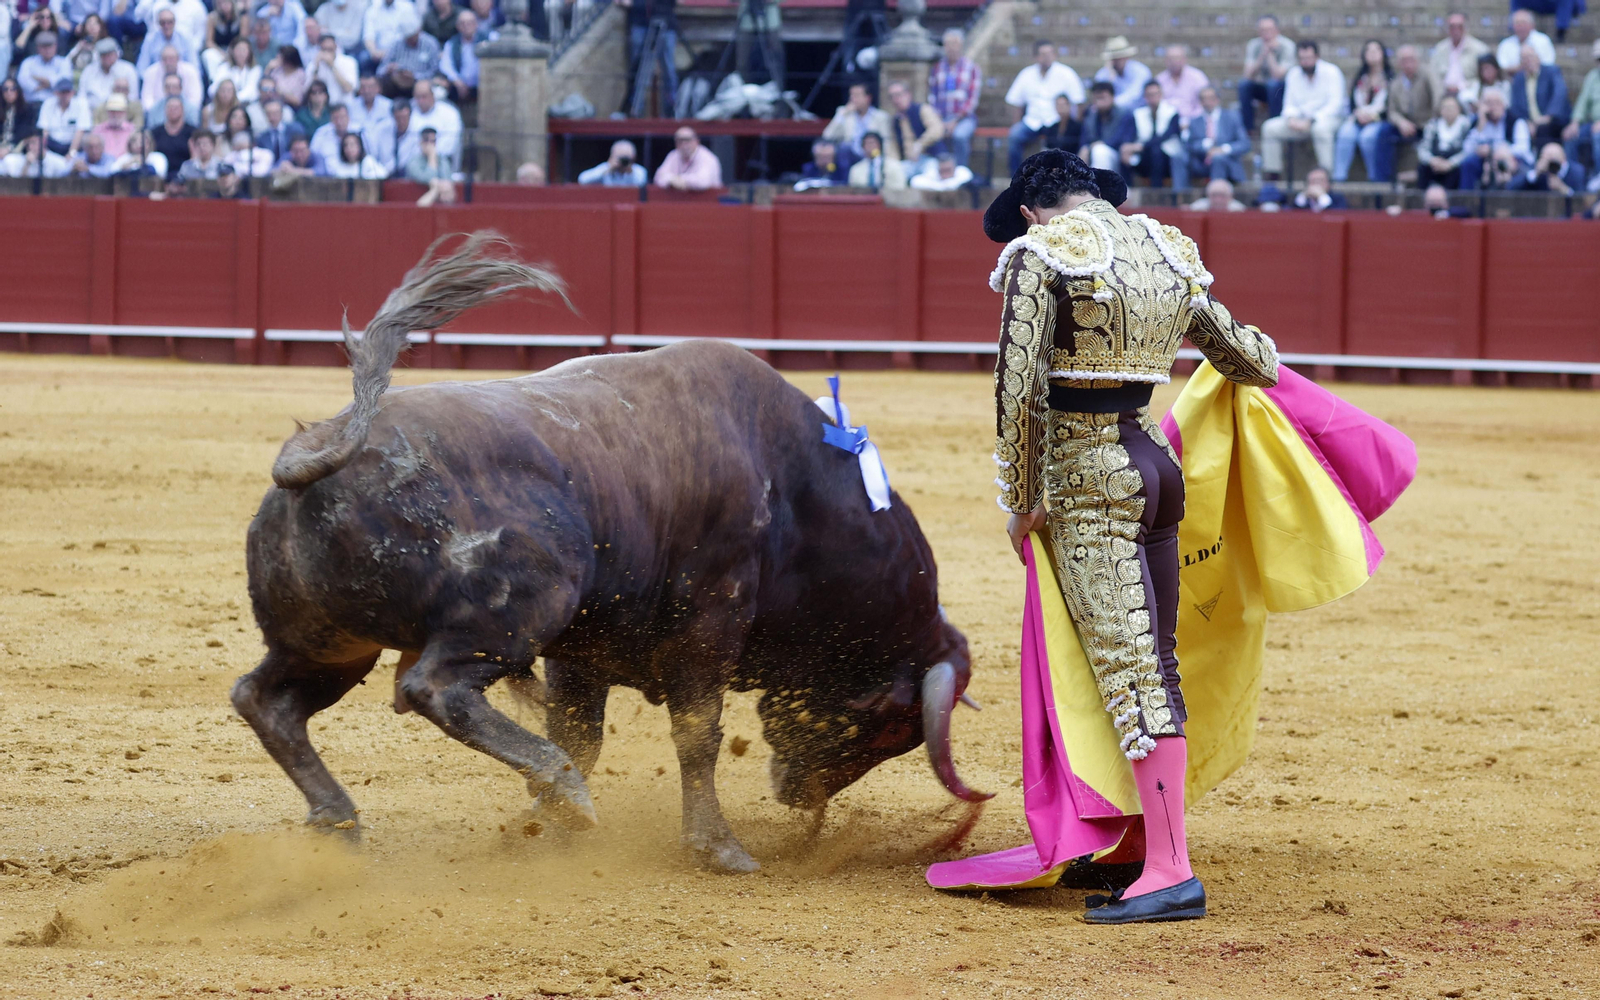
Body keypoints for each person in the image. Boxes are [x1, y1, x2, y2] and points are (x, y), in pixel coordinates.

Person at [982, 148, 1278, 925]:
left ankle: (1171, 870)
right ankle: (1138, 847)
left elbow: (1017, 399)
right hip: (1157, 466)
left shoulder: (1039, 256)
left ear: (1028, 210)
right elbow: (1248, 359)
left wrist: (1021, 500)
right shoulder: (1168, 247)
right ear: (1095, 195)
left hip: (1091, 481)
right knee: (1155, 659)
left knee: (1128, 671)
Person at [1261, 40, 1346, 179]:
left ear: (1317, 57)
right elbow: (1289, 104)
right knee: (1269, 128)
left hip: (1328, 119)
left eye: (1309, 58)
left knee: (1321, 129)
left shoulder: (1332, 72)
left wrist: (1312, 120)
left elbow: (1336, 105)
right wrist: (1291, 118)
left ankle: (1327, 176)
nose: (1305, 62)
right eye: (1302, 59)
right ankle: (1273, 178)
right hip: (1300, 121)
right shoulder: (1293, 73)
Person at [1005, 40, 1085, 176]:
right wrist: (1016, 123)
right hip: (1032, 122)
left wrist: (1071, 125)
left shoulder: (1066, 73)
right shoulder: (1026, 74)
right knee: (1014, 136)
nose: (1047, 57)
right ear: (1036, 56)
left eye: (1050, 53)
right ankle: (1015, 177)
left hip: (1056, 122)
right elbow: (1015, 102)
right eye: (1043, 54)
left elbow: (1079, 102)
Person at [1333, 39, 1393, 182]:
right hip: (1358, 119)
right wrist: (1359, 114)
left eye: (1376, 50)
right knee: (1345, 133)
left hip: (1380, 120)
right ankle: (1339, 177)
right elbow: (1353, 103)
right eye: (1368, 50)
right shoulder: (1360, 76)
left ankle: (1374, 177)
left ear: (1383, 54)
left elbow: (1391, 105)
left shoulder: (1390, 78)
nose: (1372, 54)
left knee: (1368, 137)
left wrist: (1374, 116)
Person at [928, 28, 981, 168]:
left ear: (961, 46)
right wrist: (938, 119)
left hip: (964, 118)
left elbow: (972, 100)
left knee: (959, 136)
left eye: (955, 43)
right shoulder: (937, 68)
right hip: (941, 117)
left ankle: (961, 172)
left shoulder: (971, 68)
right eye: (948, 44)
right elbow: (932, 97)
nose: (951, 48)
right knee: (933, 134)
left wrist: (955, 120)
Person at [1460, 88, 1533, 188]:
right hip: (1485, 162)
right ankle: (1468, 200)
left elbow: (1523, 149)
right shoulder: (1479, 122)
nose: (1492, 107)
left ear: (1504, 104)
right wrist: (1481, 125)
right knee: (1469, 164)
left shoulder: (1516, 121)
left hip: (1511, 160)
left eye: (1496, 103)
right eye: (1488, 103)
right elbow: (1467, 149)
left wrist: (1497, 151)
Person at [1116, 79, 1182, 188]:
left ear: (1161, 94)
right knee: (1124, 152)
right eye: (1149, 95)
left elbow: (1165, 136)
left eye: (1155, 94)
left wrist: (1141, 146)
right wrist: (1127, 146)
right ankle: (1127, 194)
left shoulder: (1172, 112)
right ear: (1145, 96)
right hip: (1144, 157)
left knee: (1156, 152)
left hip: (1168, 158)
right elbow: (1130, 135)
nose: (1153, 97)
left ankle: (1157, 193)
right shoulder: (1138, 114)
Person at [618, 0, 677, 116]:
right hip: (640, 21)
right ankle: (634, 109)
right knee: (637, 70)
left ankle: (672, 109)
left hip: (665, 20)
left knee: (668, 70)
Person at [1181, 85, 1249, 186]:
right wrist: (1204, 145)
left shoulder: (1232, 117)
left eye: (1211, 98)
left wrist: (1223, 149)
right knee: (1180, 158)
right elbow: (1189, 145)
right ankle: (1179, 195)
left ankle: (1216, 194)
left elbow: (1244, 144)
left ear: (1217, 99)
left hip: (1227, 162)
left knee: (1217, 158)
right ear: (1200, 102)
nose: (1208, 102)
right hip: (1202, 162)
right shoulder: (1194, 121)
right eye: (1204, 99)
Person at [1238, 14, 1295, 133]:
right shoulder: (1254, 45)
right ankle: (1248, 128)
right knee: (1243, 85)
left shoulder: (1287, 45)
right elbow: (1247, 75)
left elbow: (1278, 75)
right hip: (1261, 87)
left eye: (1269, 29)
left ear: (1277, 30)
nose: (1266, 33)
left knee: (1273, 84)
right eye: (1262, 30)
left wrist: (1270, 55)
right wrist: (1262, 55)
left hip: (1281, 90)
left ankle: (1274, 124)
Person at [1509, 42, 1570, 148]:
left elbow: (1560, 93)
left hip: (1553, 120)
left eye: (1530, 57)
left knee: (1542, 130)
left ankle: (1542, 162)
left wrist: (1548, 116)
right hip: (1530, 123)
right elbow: (1515, 106)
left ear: (1537, 57)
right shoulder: (1518, 79)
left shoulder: (1551, 71)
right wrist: (1527, 122)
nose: (1528, 61)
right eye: (1524, 58)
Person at [1387, 45, 1438, 165]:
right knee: (1384, 133)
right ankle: (1387, 178)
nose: (1408, 64)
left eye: (1411, 59)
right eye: (1404, 60)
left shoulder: (1428, 75)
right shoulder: (1396, 83)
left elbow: (1438, 96)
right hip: (1407, 125)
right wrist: (1401, 122)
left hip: (1427, 122)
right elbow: (1392, 111)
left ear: (1417, 60)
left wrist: (1434, 119)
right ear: (1399, 63)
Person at [822, 83, 893, 166]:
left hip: (873, 155)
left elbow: (886, 142)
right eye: (851, 95)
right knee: (844, 148)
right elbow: (827, 136)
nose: (853, 99)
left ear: (868, 98)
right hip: (851, 157)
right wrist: (841, 115)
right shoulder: (845, 114)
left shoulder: (880, 117)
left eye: (857, 95)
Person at [886, 79, 945, 176]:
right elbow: (893, 145)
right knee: (894, 174)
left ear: (908, 94)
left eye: (898, 95)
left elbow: (937, 130)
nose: (895, 100)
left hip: (930, 158)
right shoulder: (895, 120)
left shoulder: (922, 110)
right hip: (908, 162)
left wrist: (920, 144)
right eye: (892, 97)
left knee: (927, 176)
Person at [1431, 10, 1490, 103]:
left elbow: (1485, 76)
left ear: (1466, 28)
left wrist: (1461, 87)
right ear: (1447, 28)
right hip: (1444, 92)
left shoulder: (1479, 49)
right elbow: (1433, 74)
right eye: (1452, 27)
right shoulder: (1439, 49)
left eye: (1459, 27)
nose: (1456, 30)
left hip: (1469, 92)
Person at [1417, 94, 1473, 188]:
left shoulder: (1466, 126)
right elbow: (1423, 148)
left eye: (1451, 107)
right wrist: (1432, 160)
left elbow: (1468, 150)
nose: (1448, 110)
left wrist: (1450, 163)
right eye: (1445, 107)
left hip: (1454, 164)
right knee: (1422, 168)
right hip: (1435, 162)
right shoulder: (1433, 125)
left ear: (1459, 109)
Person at [438, 9, 490, 107]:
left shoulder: (488, 38)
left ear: (476, 24)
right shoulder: (452, 43)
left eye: (470, 23)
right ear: (458, 26)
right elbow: (446, 65)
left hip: (482, 84)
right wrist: (457, 81)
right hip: (460, 86)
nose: (466, 26)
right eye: (462, 23)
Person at [1563, 40, 1600, 171]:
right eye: (1598, 59)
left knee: (1598, 135)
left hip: (1598, 127)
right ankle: (1573, 176)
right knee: (1570, 135)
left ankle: (1598, 176)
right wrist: (1575, 122)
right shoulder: (1592, 76)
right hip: (1592, 124)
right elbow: (1582, 101)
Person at [78, 38, 139, 113]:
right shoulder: (88, 71)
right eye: (103, 55)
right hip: (92, 114)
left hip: (120, 114)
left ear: (116, 54)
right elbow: (81, 97)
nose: (107, 58)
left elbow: (133, 98)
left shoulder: (128, 70)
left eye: (109, 54)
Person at [1092, 35, 1152, 111]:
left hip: (1137, 114)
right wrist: (1110, 79)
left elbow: (1134, 96)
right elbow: (1098, 96)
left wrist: (1111, 103)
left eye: (1119, 58)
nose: (1116, 61)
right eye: (1114, 58)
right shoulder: (1103, 74)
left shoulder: (1141, 71)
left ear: (1127, 57)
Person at [1078, 80, 1128, 172]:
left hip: (1117, 156)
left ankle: (1099, 183)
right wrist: (1085, 147)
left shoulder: (1124, 115)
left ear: (1112, 97)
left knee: (1100, 151)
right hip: (1093, 154)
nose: (1099, 102)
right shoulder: (1090, 115)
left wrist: (1096, 146)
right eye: (1097, 98)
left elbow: (1120, 140)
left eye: (1103, 98)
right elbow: (1085, 139)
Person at [734, 0, 782, 90]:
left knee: (775, 61)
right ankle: (742, 92)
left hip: (770, 21)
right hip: (746, 21)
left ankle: (778, 92)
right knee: (743, 62)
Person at [36, 78, 90, 158]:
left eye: (67, 92)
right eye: (62, 92)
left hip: (73, 146)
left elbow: (80, 131)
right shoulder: (48, 103)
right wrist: (43, 150)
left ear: (73, 92)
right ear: (56, 93)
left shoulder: (81, 104)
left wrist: (71, 153)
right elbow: (44, 130)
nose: (65, 95)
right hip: (52, 145)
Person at [1153, 44, 1209, 122]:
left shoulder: (1198, 77)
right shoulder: (1159, 80)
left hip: (1193, 121)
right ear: (1165, 61)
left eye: (1177, 58)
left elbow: (1205, 103)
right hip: (1166, 123)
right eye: (1170, 59)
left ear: (1184, 59)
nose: (1174, 62)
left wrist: (1192, 121)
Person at [654, 124, 720, 190]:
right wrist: (672, 180)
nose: (684, 144)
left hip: (707, 199)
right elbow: (658, 177)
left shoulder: (707, 157)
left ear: (696, 141)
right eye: (680, 141)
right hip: (678, 199)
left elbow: (703, 181)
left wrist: (680, 180)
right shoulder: (673, 155)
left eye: (687, 140)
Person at [407, 79, 461, 158]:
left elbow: (450, 144)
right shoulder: (408, 111)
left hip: (442, 161)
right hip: (412, 162)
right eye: (418, 97)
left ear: (432, 94)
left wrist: (430, 154)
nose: (421, 101)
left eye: (424, 96)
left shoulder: (450, 113)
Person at [363, 0, 417, 77]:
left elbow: (412, 34)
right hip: (379, 53)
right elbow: (368, 36)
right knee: (364, 58)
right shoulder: (372, 9)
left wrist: (391, 53)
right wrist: (374, 52)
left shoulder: (407, 7)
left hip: (404, 52)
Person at [1509, 140, 1586, 193]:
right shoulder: (1540, 172)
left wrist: (1563, 188)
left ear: (1563, 158)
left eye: (1551, 157)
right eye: (1543, 157)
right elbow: (1512, 188)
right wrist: (1536, 173)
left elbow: (1583, 201)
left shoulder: (1577, 171)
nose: (1547, 162)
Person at [136, 11, 198, 76]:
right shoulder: (150, 39)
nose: (166, 26)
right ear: (158, 23)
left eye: (170, 22)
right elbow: (142, 68)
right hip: (156, 79)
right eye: (163, 23)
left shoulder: (185, 38)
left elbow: (194, 65)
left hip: (182, 79)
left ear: (174, 22)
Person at [18, 30, 72, 104]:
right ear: (38, 48)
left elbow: (63, 83)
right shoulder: (28, 62)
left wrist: (36, 78)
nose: (47, 50)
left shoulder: (64, 62)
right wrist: (49, 83)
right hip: (32, 103)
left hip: (54, 105)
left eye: (50, 46)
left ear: (55, 46)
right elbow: (23, 81)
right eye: (44, 47)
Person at [404, 125, 454, 203]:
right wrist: (432, 157)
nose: (430, 144)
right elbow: (428, 179)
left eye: (433, 141)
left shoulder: (443, 161)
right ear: (420, 142)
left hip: (440, 199)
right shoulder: (413, 162)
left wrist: (438, 185)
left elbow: (447, 182)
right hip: (416, 199)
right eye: (426, 140)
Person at [310, 31, 360, 107]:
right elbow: (310, 91)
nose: (327, 53)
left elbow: (349, 88)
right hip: (324, 110)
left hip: (345, 107)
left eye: (330, 49)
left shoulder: (349, 62)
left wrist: (332, 66)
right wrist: (316, 67)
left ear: (336, 47)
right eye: (324, 49)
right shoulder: (314, 64)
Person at [150, 93, 194, 178]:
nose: (173, 110)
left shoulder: (192, 132)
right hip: (160, 178)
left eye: (176, 108)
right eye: (170, 107)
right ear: (165, 110)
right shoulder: (155, 133)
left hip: (186, 178)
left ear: (183, 110)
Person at [202, 0, 250, 78]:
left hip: (236, 50)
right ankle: (215, 81)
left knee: (243, 51)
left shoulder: (242, 18)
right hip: (218, 51)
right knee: (208, 54)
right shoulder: (212, 18)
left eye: (226, 2)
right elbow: (209, 42)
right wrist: (222, 53)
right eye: (220, 3)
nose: (224, 5)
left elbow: (242, 40)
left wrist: (232, 52)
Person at [578, 139, 647, 185]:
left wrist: (630, 172)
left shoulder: (638, 170)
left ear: (633, 158)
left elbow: (642, 183)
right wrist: (609, 169)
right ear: (612, 156)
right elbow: (582, 179)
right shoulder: (605, 168)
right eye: (620, 158)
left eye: (626, 159)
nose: (623, 162)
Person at [1, 134, 72, 177]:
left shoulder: (57, 161)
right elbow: (19, 188)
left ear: (43, 142)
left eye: (34, 142)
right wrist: (27, 164)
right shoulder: (18, 160)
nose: (31, 147)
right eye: (29, 144)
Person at [254, 96, 301, 161]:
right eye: (269, 114)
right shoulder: (262, 138)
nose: (272, 117)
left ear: (282, 113)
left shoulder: (295, 130)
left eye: (275, 113)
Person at [91, 93, 137, 158]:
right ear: (107, 112)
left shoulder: (132, 130)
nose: (116, 114)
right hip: (104, 165)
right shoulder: (98, 130)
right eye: (112, 111)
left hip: (126, 165)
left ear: (125, 112)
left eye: (119, 111)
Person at [0, 79, 34, 165]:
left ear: (18, 91)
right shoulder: (2, 109)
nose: (9, 92)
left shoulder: (27, 110)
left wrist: (8, 149)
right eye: (5, 89)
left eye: (13, 89)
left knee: (8, 161)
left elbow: (23, 134)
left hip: (17, 149)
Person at [908, 152, 973, 191]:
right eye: (942, 171)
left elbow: (967, 178)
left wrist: (940, 186)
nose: (945, 174)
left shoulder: (962, 172)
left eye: (948, 170)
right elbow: (915, 181)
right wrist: (942, 186)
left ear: (954, 168)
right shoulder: (933, 173)